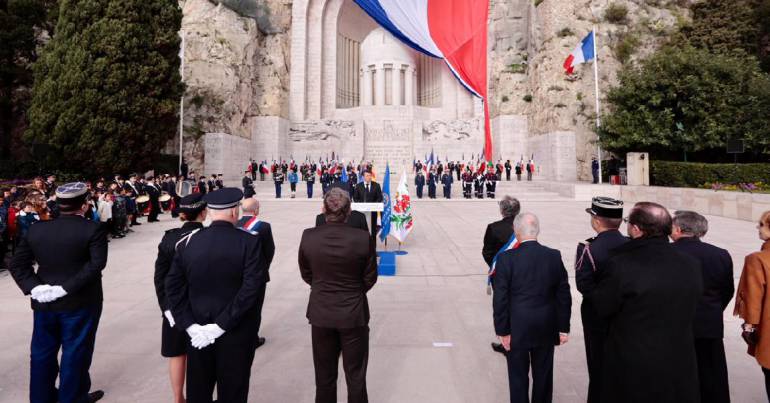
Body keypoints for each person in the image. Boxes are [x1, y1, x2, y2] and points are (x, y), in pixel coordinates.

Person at [590, 202, 702, 402]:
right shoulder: (690, 264)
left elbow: (602, 307)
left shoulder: (621, 264)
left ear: (635, 228)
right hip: (678, 359)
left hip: (633, 363)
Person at [165, 187, 267, 403]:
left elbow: (173, 288)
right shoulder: (249, 241)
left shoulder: (188, 242)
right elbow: (251, 290)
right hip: (235, 331)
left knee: (198, 391)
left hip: (197, 332)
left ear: (210, 212)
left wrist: (190, 326)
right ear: (234, 212)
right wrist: (220, 325)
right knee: (233, 392)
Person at [9, 182, 107, 403]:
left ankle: (41, 399)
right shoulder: (93, 228)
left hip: (44, 303)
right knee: (75, 353)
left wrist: (36, 287)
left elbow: (17, 264)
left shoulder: (37, 229)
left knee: (42, 355)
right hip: (79, 301)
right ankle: (72, 398)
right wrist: (65, 288)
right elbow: (96, 265)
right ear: (84, 205)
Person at [298, 188, 378, 403]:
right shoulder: (362, 238)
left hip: (322, 311)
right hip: (353, 313)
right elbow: (370, 277)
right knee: (356, 375)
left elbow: (307, 274)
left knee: (324, 376)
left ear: (323, 209)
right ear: (349, 211)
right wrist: (352, 292)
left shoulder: (309, 236)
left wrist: (324, 289)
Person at [493, 212, 571, 403]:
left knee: (518, 377)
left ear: (516, 231)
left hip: (516, 327)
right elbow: (563, 294)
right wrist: (563, 328)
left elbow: (500, 298)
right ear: (538, 230)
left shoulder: (506, 259)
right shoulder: (553, 256)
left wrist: (503, 330)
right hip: (546, 326)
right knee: (543, 377)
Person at [670, 210, 733, 403]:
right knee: (711, 377)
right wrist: (712, 309)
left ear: (678, 229)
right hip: (709, 325)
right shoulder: (720, 255)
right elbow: (727, 290)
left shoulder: (668, 254)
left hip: (674, 326)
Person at [154, 193, 208, 403]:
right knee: (199, 355)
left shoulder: (169, 238)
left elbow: (160, 277)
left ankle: (178, 397)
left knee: (177, 353)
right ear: (203, 213)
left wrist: (166, 308)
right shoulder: (207, 238)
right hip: (199, 306)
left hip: (174, 307)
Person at [574, 197, 627, 403]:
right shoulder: (632, 245)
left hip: (597, 317)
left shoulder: (589, 248)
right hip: (626, 315)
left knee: (598, 366)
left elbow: (584, 286)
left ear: (596, 220)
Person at [734, 210, 770, 399]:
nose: (758, 227)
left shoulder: (758, 259)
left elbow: (753, 299)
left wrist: (749, 327)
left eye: (762, 224)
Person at [483, 196, 521, 355]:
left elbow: (487, 253)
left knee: (502, 308)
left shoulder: (493, 228)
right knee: (519, 307)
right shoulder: (525, 226)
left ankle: (506, 343)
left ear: (502, 210)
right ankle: (519, 340)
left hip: (501, 276)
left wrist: (496, 266)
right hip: (522, 274)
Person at [235, 198, 274, 349]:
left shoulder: (232, 225)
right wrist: (264, 267)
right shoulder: (263, 227)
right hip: (257, 275)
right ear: (256, 210)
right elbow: (269, 251)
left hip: (235, 273)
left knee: (237, 305)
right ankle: (252, 338)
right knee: (255, 308)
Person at [353, 171, 383, 238]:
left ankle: (373, 246)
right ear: (363, 177)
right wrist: (362, 206)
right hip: (361, 213)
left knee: (372, 231)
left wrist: (373, 205)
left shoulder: (376, 185)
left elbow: (380, 197)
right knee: (362, 230)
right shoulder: (358, 186)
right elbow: (355, 198)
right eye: (367, 175)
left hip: (373, 212)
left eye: (370, 175)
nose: (369, 177)